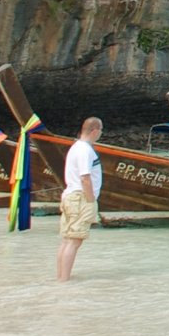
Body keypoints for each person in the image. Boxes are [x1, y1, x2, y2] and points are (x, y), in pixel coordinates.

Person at [56, 116, 104, 282]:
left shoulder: (75, 147)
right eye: (101, 130)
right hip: (80, 198)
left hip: (70, 195)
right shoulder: (85, 149)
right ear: (95, 130)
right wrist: (91, 201)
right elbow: (85, 178)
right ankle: (65, 279)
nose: (101, 134)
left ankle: (61, 277)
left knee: (67, 240)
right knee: (74, 241)